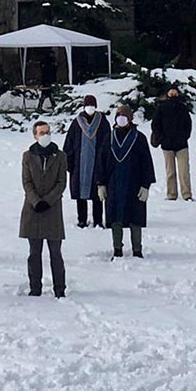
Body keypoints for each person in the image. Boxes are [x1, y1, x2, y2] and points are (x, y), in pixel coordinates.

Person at [98, 105, 155, 258]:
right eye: (118, 115)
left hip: (134, 184)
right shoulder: (109, 138)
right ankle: (117, 248)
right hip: (113, 184)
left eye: (124, 115)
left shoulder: (139, 138)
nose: (120, 118)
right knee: (115, 217)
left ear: (130, 118)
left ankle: (137, 249)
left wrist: (145, 185)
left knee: (135, 216)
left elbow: (146, 162)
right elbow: (101, 162)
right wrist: (101, 183)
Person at [21, 120, 67, 298]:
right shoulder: (28, 156)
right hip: (32, 210)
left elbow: (61, 182)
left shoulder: (60, 156)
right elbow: (26, 182)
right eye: (41, 133)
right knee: (34, 253)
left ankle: (59, 288)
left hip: (53, 210)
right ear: (35, 135)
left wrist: (48, 201)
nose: (45, 135)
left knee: (55, 252)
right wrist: (36, 201)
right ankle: (35, 288)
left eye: (47, 132)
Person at [63, 94, 111, 228]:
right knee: (80, 194)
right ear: (84, 107)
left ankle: (97, 220)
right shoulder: (77, 123)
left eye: (92, 106)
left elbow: (107, 142)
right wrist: (69, 162)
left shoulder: (102, 122)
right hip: (79, 165)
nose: (90, 108)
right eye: (88, 105)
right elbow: (69, 143)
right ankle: (82, 219)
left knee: (97, 193)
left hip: (97, 163)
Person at [150, 85, 194, 201]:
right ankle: (171, 194)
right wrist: (161, 137)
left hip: (181, 145)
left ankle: (186, 194)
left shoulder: (182, 107)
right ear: (167, 93)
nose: (173, 94)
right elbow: (155, 124)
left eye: (175, 92)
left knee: (184, 171)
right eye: (171, 92)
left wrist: (185, 136)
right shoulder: (161, 107)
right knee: (170, 172)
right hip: (167, 145)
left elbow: (188, 124)